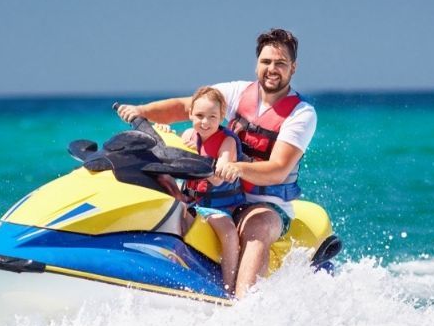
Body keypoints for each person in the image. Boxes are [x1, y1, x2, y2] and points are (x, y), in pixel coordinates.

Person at [117, 28, 316, 298]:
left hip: (264, 204)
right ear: (257, 63)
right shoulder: (235, 93)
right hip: (216, 195)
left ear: (293, 67)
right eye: (266, 62)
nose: (272, 69)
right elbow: (185, 107)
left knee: (256, 227)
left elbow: (279, 169)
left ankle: (243, 304)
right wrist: (142, 112)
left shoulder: (301, 114)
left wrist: (237, 167)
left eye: (280, 63)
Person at [179, 86, 246, 295]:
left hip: (221, 208)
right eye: (199, 115)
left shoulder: (227, 142)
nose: (205, 122)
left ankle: (229, 287)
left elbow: (217, 180)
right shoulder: (189, 134)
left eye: (212, 117)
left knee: (228, 233)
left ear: (222, 117)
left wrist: (197, 160)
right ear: (190, 113)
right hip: (192, 202)